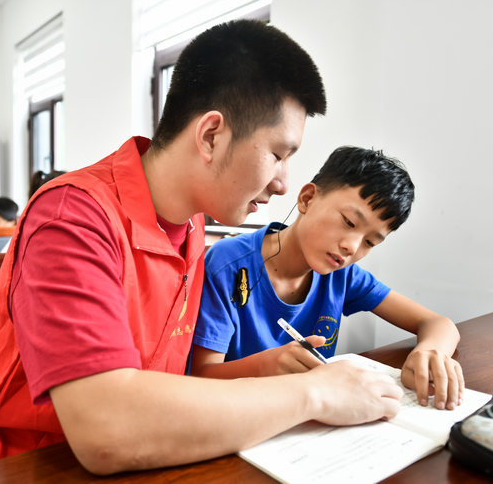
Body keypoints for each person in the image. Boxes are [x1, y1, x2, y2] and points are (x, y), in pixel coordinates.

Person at [0, 20, 404, 477]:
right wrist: (316, 395)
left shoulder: (193, 224)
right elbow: (106, 430)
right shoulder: (73, 217)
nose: (283, 183)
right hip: (21, 464)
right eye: (278, 154)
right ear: (211, 135)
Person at [190, 146, 463, 411]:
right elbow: (200, 378)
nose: (352, 248)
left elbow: (438, 324)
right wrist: (266, 365)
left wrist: (430, 352)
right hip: (238, 417)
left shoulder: (341, 275)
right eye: (349, 222)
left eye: (370, 242)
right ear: (307, 199)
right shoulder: (228, 265)